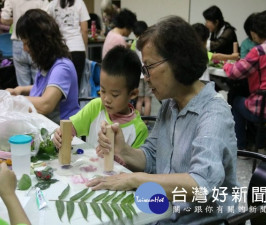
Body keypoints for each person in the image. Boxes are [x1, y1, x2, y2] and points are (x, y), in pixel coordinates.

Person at [87, 16, 238, 224]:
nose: (146, 77)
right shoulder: (170, 104)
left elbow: (201, 184)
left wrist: (135, 179)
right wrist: (123, 150)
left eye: (148, 67)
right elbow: (151, 157)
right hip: (164, 212)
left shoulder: (213, 112)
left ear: (177, 61)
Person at [53, 46, 148, 160]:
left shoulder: (139, 129)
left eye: (114, 95)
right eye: (102, 91)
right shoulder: (96, 107)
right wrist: (61, 135)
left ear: (132, 94)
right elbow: (70, 127)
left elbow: (136, 168)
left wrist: (117, 157)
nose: (106, 99)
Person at [6, 9, 80, 124]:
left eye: (27, 44)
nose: (24, 49)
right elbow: (46, 88)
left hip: (63, 135)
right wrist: (20, 90)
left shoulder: (62, 68)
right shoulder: (47, 64)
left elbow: (46, 104)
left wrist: (13, 100)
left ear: (40, 43)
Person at [223, 9, 266, 151]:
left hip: (263, 110)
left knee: (236, 101)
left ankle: (241, 148)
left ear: (257, 31)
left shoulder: (259, 51)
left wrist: (227, 65)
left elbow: (235, 73)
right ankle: (261, 145)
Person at [1, 0, 49, 86]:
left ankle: (24, 99)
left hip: (18, 42)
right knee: (38, 83)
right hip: (36, 42)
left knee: (22, 86)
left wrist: (16, 19)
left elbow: (4, 19)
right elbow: (47, 18)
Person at [47, 0, 90, 90]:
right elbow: (84, 30)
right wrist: (84, 48)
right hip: (78, 49)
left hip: (60, 50)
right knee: (76, 86)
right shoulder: (79, 3)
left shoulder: (52, 5)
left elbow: (48, 29)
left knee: (60, 85)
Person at [130, 21, 152, 120]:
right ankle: (147, 122)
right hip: (147, 73)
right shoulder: (148, 43)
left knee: (139, 99)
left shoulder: (134, 43)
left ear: (135, 33)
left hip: (138, 75)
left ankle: (139, 121)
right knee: (147, 100)